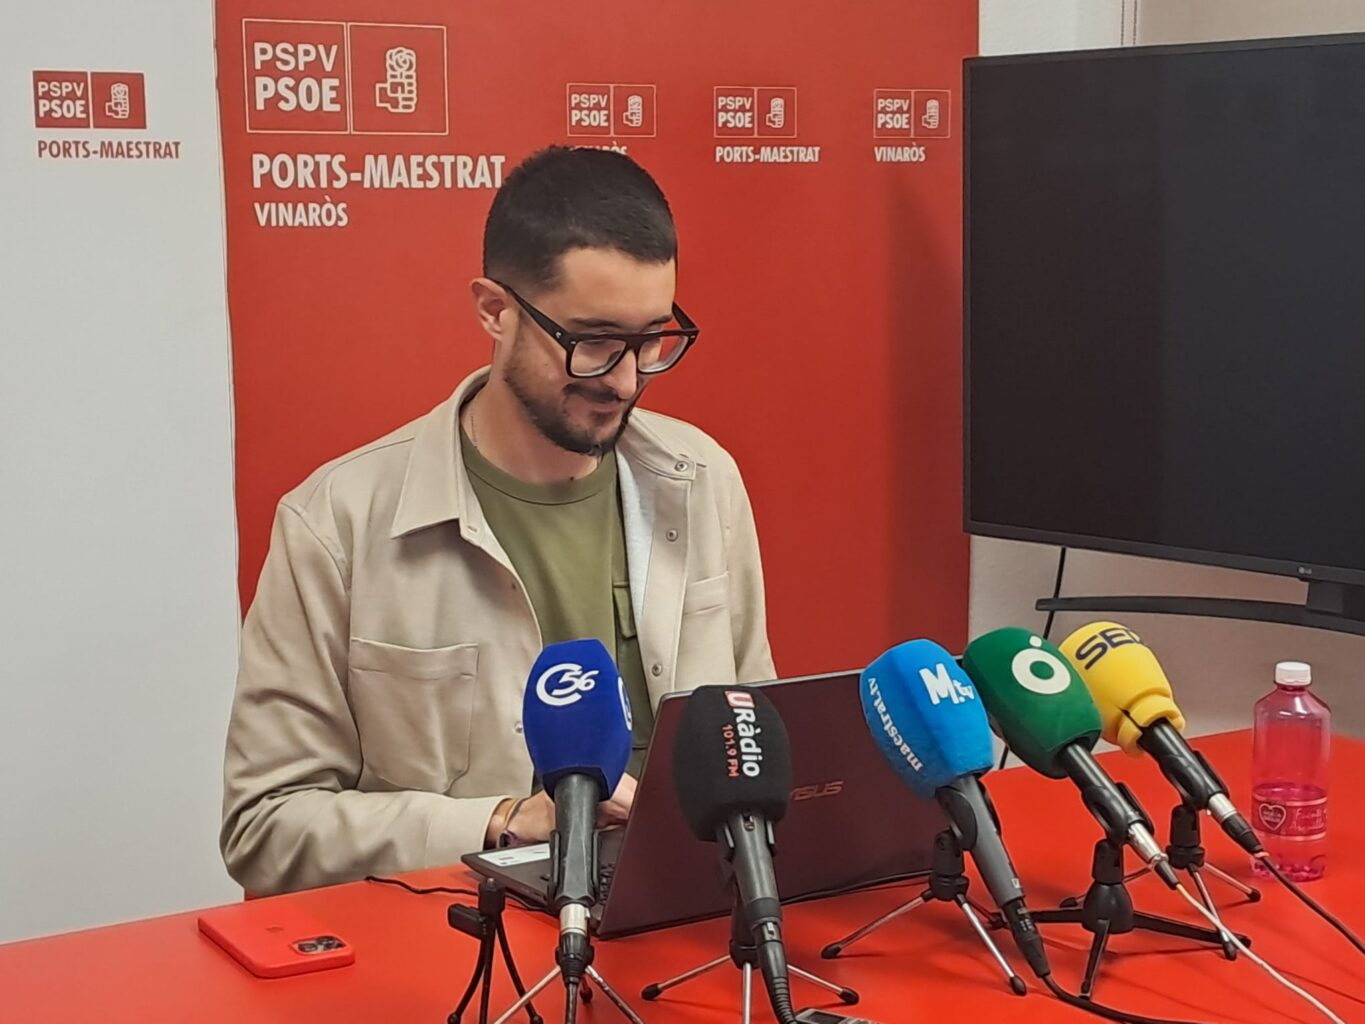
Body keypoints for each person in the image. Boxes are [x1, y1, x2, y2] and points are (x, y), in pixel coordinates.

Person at [220, 146, 775, 896]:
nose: (625, 379)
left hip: (688, 929)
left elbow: (752, 745)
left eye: (651, 340)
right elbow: (265, 827)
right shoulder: (337, 524)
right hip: (459, 942)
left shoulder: (703, 480)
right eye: (593, 342)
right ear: (494, 310)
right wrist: (501, 822)